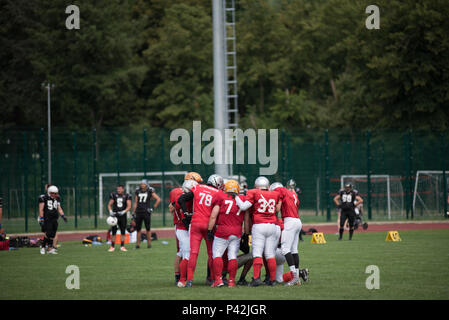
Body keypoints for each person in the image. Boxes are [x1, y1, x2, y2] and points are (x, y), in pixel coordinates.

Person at [178, 174, 224, 288]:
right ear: (217, 183)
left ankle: (189, 280)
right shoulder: (218, 193)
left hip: (195, 223)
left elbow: (181, 199)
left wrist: (186, 213)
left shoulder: (198, 187)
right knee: (211, 254)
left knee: (193, 253)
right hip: (208, 224)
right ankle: (214, 280)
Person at [233, 176, 281, 287]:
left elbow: (244, 206)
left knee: (257, 253)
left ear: (256, 186)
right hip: (272, 225)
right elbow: (277, 209)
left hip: (259, 225)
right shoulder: (274, 194)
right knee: (270, 254)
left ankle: (256, 279)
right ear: (267, 186)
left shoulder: (253, 192)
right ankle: (272, 280)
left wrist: (236, 196)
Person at [207, 179, 247, 288]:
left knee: (217, 255)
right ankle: (231, 282)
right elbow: (246, 218)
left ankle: (218, 280)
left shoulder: (220, 196)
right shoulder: (242, 199)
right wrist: (247, 233)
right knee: (232, 256)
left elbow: (213, 215)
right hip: (237, 231)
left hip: (223, 231)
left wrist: (210, 230)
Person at [270, 182, 309, 285]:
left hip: (289, 221)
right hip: (297, 221)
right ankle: (297, 276)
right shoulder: (292, 193)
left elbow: (278, 208)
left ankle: (294, 277)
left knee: (285, 249)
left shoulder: (280, 190)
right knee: (294, 250)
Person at [169, 172, 203, 286]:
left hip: (189, 225)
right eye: (197, 183)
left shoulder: (190, 191)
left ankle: (182, 277)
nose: (198, 186)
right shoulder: (177, 192)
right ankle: (180, 277)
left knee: (184, 252)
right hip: (181, 225)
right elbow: (171, 208)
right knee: (183, 252)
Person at [38, 185, 67, 254]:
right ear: (50, 192)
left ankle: (50, 248)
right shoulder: (44, 198)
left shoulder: (57, 198)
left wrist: (63, 216)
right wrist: (41, 218)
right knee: (48, 233)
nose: (56, 195)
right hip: (47, 218)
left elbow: (59, 208)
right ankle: (43, 247)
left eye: (56, 193)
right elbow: (41, 209)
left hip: (54, 218)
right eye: (54, 193)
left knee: (53, 234)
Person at [132, 179, 161, 249]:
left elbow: (158, 199)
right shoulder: (138, 191)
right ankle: (138, 245)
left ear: (146, 184)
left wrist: (152, 208)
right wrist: (133, 212)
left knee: (148, 229)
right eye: (141, 184)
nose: (142, 185)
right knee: (138, 229)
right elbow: (136, 202)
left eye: (143, 184)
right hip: (138, 212)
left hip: (146, 212)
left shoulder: (150, 190)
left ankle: (149, 244)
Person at [107, 185, 132, 252]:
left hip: (123, 216)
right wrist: (110, 211)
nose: (118, 190)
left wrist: (124, 212)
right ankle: (112, 246)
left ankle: (122, 246)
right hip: (115, 216)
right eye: (117, 189)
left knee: (123, 232)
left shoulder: (127, 196)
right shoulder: (114, 195)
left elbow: (129, 206)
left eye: (120, 189)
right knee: (114, 231)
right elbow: (109, 205)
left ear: (123, 189)